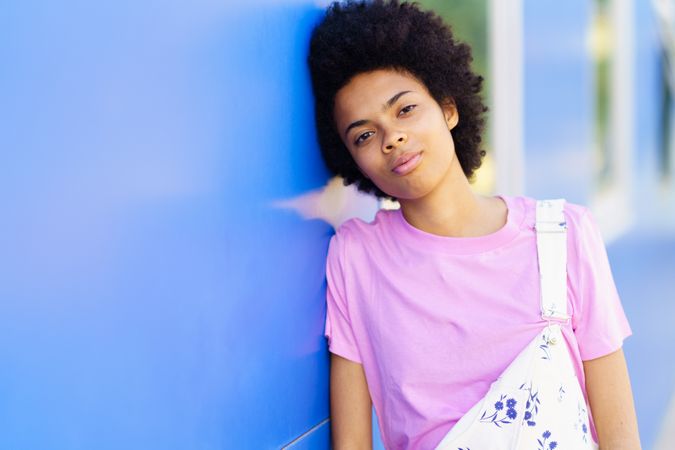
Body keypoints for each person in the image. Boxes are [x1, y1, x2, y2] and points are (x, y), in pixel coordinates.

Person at [307, 1, 641, 449]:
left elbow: (620, 436)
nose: (393, 138)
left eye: (405, 109)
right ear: (354, 161)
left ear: (448, 109)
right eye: (364, 134)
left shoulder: (562, 235)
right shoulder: (356, 257)